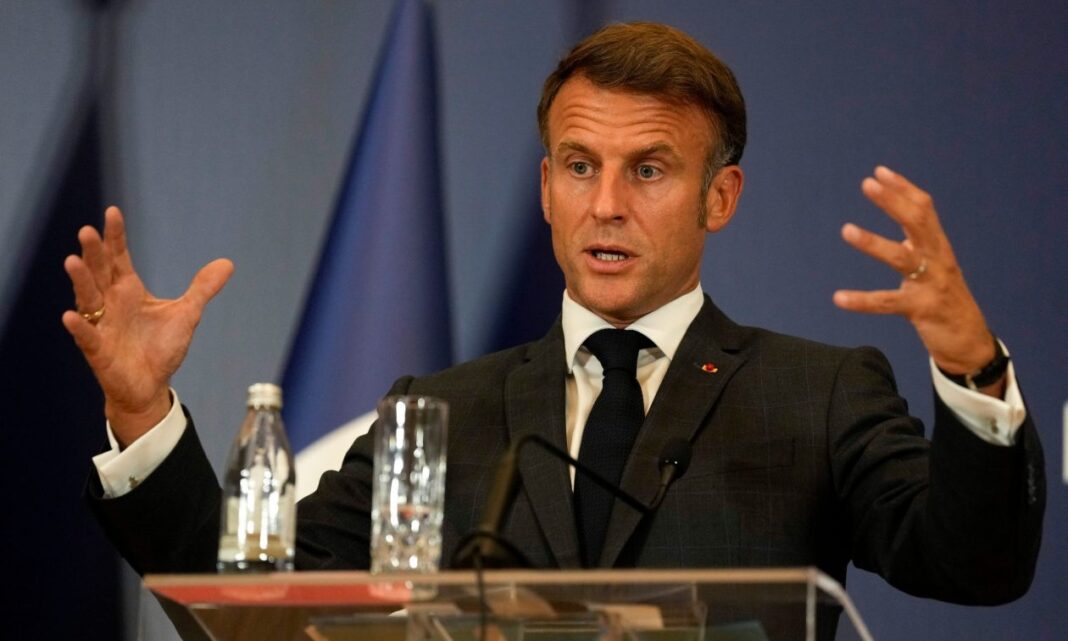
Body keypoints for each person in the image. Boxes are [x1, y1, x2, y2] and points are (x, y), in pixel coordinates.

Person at [69, 22, 1042, 610]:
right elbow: (248, 600)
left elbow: (975, 564)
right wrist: (144, 411)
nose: (606, 203)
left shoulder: (817, 395)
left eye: (649, 169)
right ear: (546, 188)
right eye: (581, 166)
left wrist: (973, 368)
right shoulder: (443, 410)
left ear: (721, 196)